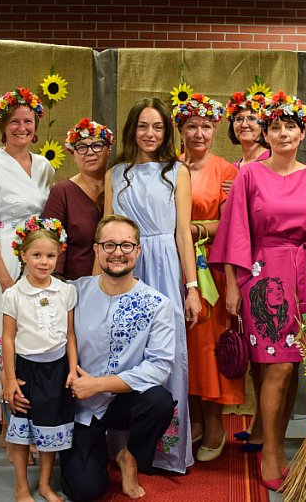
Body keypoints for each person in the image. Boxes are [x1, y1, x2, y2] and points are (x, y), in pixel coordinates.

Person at [210, 91, 306, 491]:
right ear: (266, 134)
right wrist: (233, 284)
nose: (283, 133)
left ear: (302, 133)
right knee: (277, 367)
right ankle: (270, 451)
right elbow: (235, 231)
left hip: (305, 275)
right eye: (276, 127)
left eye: (291, 126)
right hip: (263, 277)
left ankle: (275, 442)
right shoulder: (251, 174)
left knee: (293, 367)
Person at [103, 97, 199, 473]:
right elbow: (107, 231)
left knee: (168, 357)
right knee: (125, 352)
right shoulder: (117, 172)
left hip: (164, 266)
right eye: (143, 126)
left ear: (166, 131)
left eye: (157, 127)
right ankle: (123, 447)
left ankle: (165, 450)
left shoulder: (177, 171)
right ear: (132, 129)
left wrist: (191, 287)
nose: (150, 133)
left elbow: (182, 234)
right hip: (124, 265)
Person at [57, 215, 175, 501]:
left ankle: (129, 456)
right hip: (78, 404)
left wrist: (98, 384)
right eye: (109, 245)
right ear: (96, 250)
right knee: (84, 491)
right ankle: (93, 447)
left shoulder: (157, 304)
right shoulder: (72, 293)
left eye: (126, 245)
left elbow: (159, 367)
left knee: (159, 401)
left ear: (138, 251)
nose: (117, 253)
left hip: (122, 401)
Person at [0, 87, 54, 435]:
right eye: (14, 121)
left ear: (36, 127)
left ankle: (33, 420)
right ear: (3, 126)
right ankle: (7, 424)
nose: (22, 127)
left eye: (28, 121)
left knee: (34, 336)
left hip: (37, 258)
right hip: (1, 259)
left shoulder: (45, 167)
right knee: (1, 337)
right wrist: (6, 281)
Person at [176, 93, 243, 462]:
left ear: (215, 128)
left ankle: (215, 423)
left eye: (206, 126)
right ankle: (194, 421)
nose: (199, 133)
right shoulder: (169, 167)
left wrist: (196, 228)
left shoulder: (225, 171)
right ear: (180, 130)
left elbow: (232, 225)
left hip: (212, 273)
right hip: (176, 269)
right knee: (184, 349)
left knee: (210, 349)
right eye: (191, 126)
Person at [2, 216, 76, 502]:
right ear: (23, 255)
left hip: (56, 370)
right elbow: (8, 338)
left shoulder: (66, 291)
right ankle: (21, 485)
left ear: (59, 256)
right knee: (22, 430)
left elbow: (70, 335)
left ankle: (45, 484)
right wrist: (9, 379)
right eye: (36, 255)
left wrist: (71, 369)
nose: (43, 262)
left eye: (50, 255)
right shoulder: (14, 295)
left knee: (50, 429)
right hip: (26, 370)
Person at [222, 87, 272, 447]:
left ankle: (265, 429)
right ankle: (255, 420)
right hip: (238, 261)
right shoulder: (232, 168)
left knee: (270, 353)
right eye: (238, 118)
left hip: (266, 261)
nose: (245, 124)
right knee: (252, 350)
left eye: (252, 118)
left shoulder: (272, 162)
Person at [43, 118, 113, 280]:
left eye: (96, 145)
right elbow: (50, 242)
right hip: (75, 286)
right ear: (73, 154)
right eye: (81, 147)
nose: (90, 152)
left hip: (118, 280)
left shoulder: (120, 186)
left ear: (108, 149)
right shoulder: (62, 193)